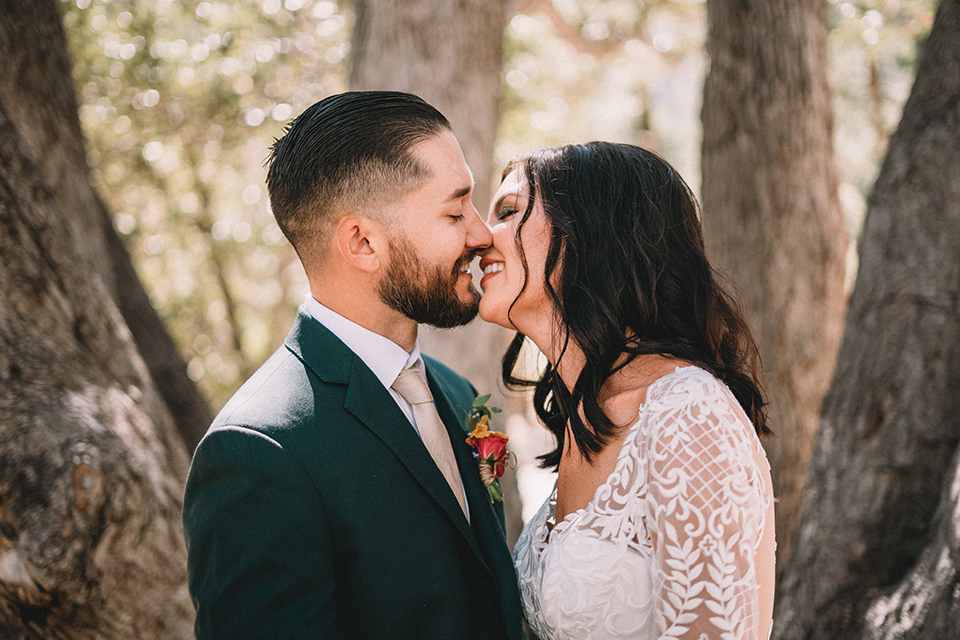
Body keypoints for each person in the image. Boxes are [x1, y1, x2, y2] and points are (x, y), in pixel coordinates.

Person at [182, 91, 524, 640]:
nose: (482, 234)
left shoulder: (458, 397)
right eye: (455, 210)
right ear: (363, 242)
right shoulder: (259, 450)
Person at [477, 141, 776, 639]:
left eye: (508, 212)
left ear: (587, 231)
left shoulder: (687, 412)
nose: (481, 237)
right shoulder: (585, 419)